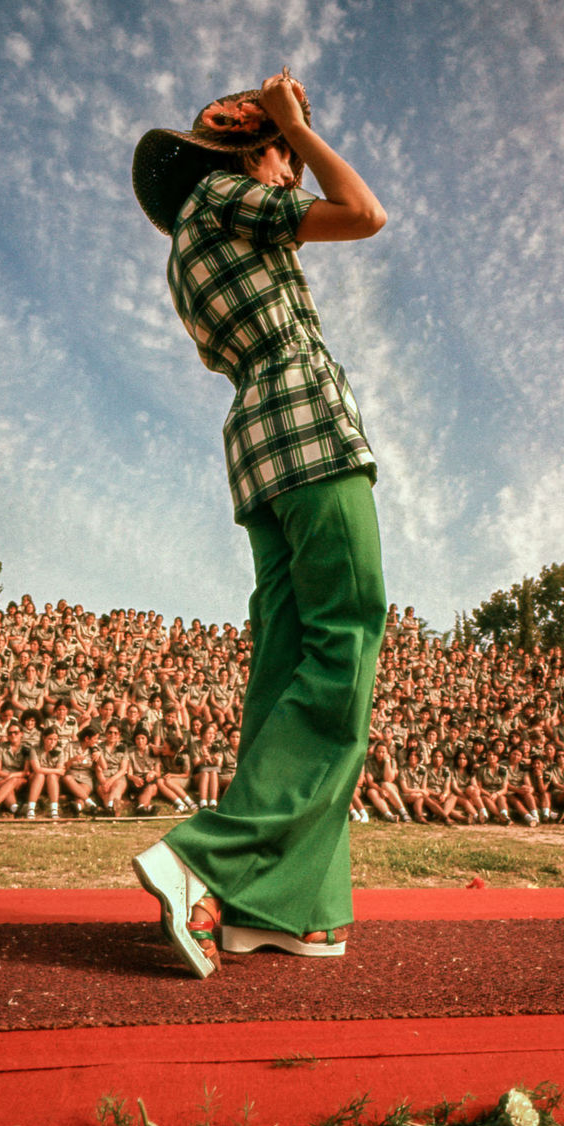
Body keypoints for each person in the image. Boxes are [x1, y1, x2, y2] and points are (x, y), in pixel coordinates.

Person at [131, 68, 387, 977]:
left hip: (258, 445)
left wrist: (282, 134)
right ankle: (203, 856)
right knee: (345, 639)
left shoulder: (190, 241)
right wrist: (294, 131)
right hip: (310, 428)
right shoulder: (231, 196)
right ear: (254, 148)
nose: (293, 170)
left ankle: (275, 908)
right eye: (284, 152)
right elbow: (363, 212)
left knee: (283, 667)